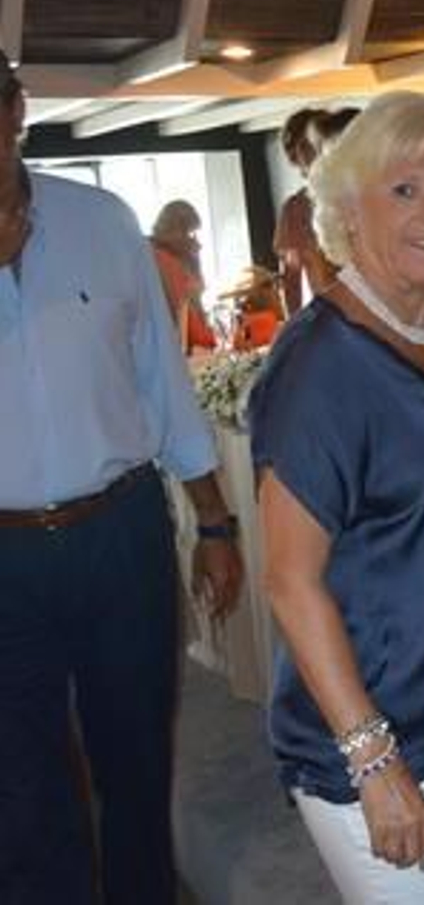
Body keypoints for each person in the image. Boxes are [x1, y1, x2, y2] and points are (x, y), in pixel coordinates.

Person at [250, 90, 424, 903]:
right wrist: (373, 760)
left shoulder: (417, 326)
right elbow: (290, 582)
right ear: (346, 208)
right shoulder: (317, 367)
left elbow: (421, 487)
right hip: (373, 733)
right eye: (402, 190)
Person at [0, 50, 244, 903]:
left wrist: (214, 521)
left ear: (16, 111)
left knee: (137, 762)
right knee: (20, 794)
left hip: (121, 534)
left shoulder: (103, 223)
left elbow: (163, 387)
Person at [273, 107, 344, 314]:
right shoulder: (295, 209)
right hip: (338, 321)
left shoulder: (361, 191)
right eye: (305, 146)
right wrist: (294, 327)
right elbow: (291, 277)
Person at [149, 197, 218, 353]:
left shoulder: (174, 255)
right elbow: (185, 306)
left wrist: (195, 260)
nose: (194, 239)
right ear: (175, 230)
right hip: (180, 348)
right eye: (190, 232)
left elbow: (197, 294)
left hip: (183, 346)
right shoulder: (162, 259)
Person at [219, 264, 285, 350]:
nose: (276, 290)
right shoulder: (264, 320)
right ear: (259, 294)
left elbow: (245, 344)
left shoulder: (245, 324)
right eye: (269, 285)